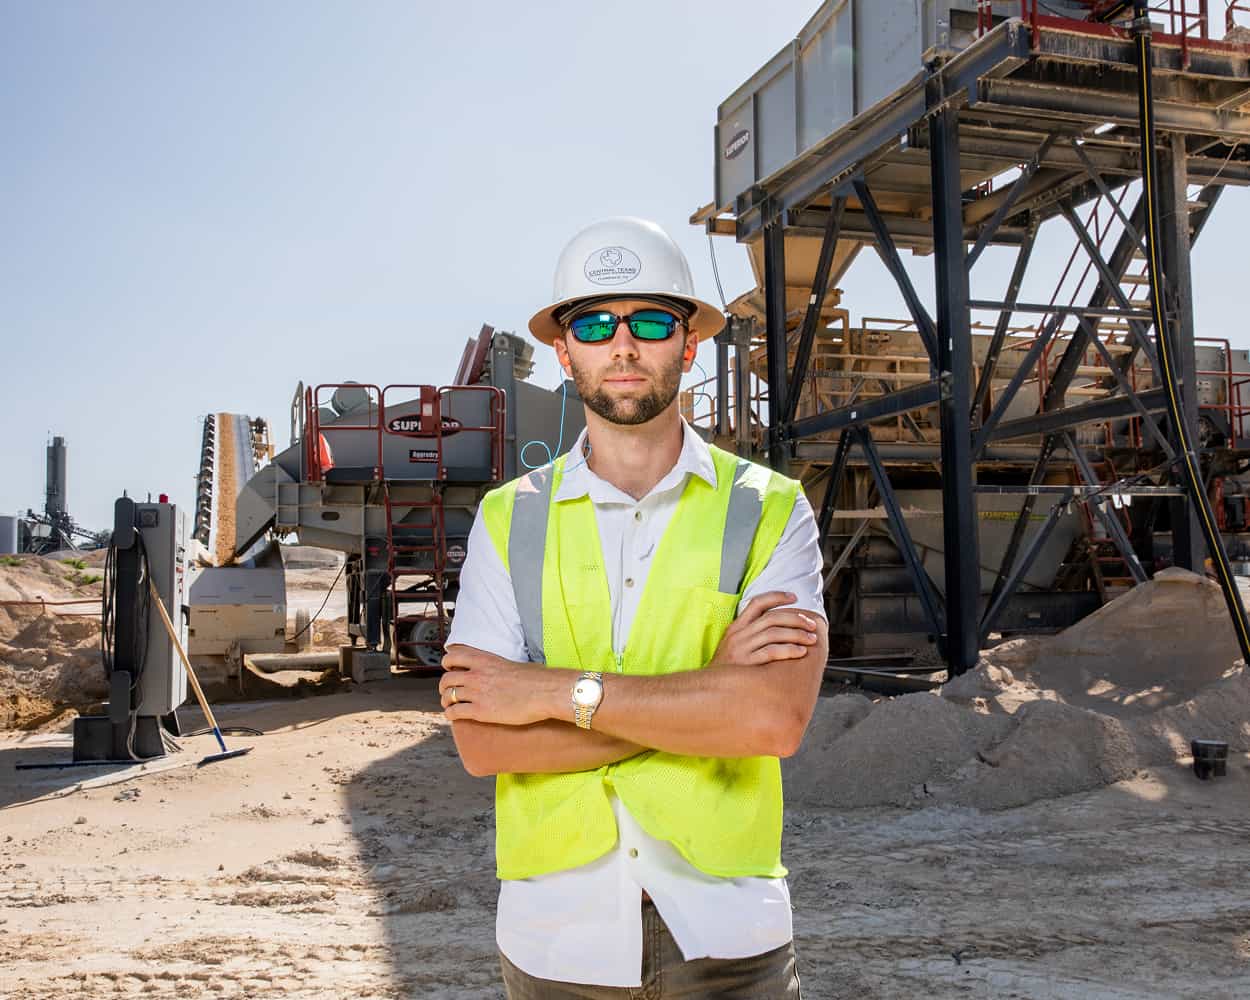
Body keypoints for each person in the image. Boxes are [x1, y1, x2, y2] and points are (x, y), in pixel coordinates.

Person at [440, 216, 827, 998]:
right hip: (558, 941)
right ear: (563, 350)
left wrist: (549, 695)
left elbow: (770, 722)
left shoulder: (772, 510)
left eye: (650, 322)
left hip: (730, 937)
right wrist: (702, 703)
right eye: (594, 324)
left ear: (688, 345)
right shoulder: (508, 519)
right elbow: (482, 739)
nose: (623, 346)